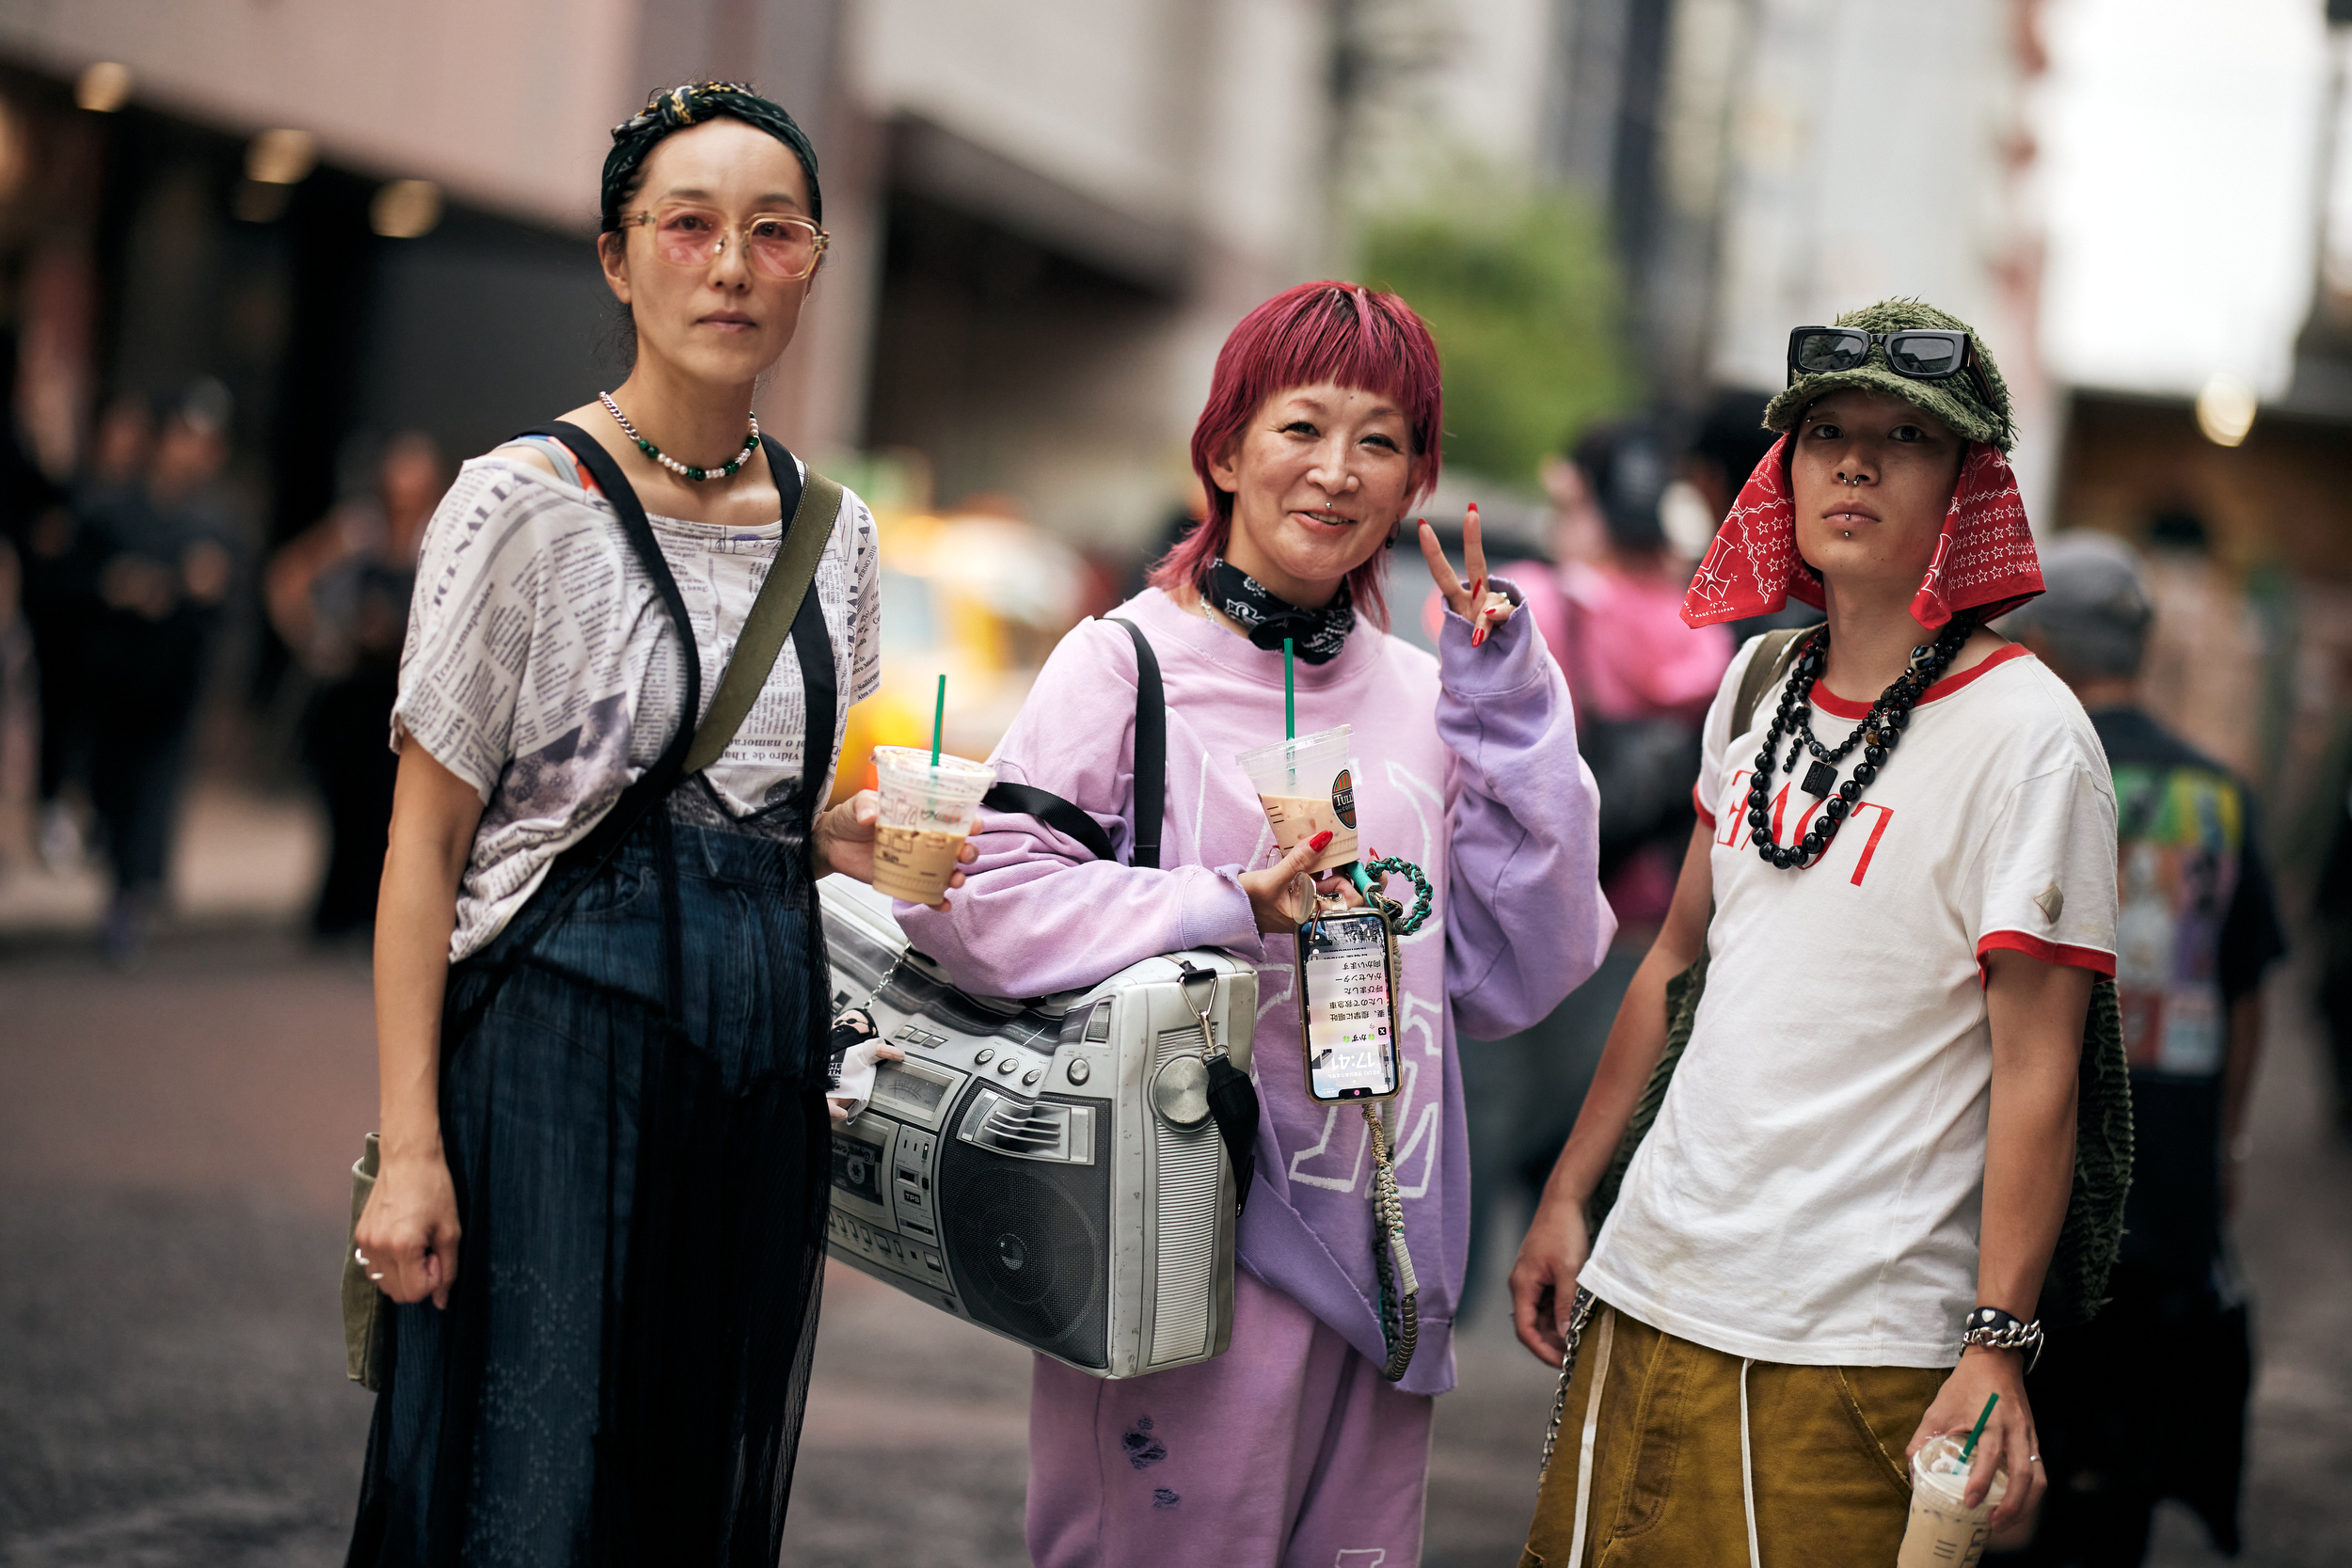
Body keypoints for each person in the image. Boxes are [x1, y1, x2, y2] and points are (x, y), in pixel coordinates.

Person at [898, 280, 1612, 1568]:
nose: (1337, 472)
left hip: (1391, 1258)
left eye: (1381, 441)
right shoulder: (1123, 665)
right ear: (1224, 448)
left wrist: (1509, 703)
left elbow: (1532, 962)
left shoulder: (1429, 694)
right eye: (1302, 427)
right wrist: (1224, 902)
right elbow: (980, 902)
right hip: (1178, 1241)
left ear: (1415, 482)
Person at [346, 81, 961, 1563]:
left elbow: (753, 806)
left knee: (692, 1492)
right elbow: (425, 848)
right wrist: (413, 1146)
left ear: (815, 259)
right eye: (689, 226)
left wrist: (838, 844)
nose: (732, 266)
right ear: (620, 258)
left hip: (755, 1072)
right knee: (532, 1489)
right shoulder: (520, 504)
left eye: (773, 232)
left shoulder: (839, 533)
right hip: (551, 1064)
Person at [1510, 299, 2120, 1564]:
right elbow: (1675, 958)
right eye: (1828, 430)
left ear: (1970, 486)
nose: (1856, 460)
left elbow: (2041, 1068)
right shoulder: (1757, 684)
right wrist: (1573, 1192)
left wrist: (1998, 1344)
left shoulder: (2031, 736)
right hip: (1651, 1287)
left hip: (1853, 1341)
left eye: (1906, 435)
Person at [1994, 531, 2284, 1566]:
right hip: (2164, 1186)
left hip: (2017, 1185)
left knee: (1986, 1473)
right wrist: (2227, 1142)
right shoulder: (2220, 795)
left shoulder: (2022, 765)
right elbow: (2244, 989)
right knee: (2110, 1489)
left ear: (2034, 638)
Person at [1455, 420, 1733, 1314]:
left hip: (1519, 916)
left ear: (1581, 497)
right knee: (1605, 1137)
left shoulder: (1539, 595)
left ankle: (1432, 1323)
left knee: (1477, 1128)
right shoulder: (1703, 622)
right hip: (1642, 923)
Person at [80, 382, 239, 964]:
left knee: (153, 793)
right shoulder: (113, 507)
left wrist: (206, 587)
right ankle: (118, 868)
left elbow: (230, 601)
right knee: (109, 790)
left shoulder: (215, 520)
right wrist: (117, 585)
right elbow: (75, 577)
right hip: (114, 675)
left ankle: (131, 896)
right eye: (184, 438)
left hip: (175, 678)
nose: (191, 452)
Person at [267, 431, 447, 936]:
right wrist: (319, 641)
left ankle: (372, 911)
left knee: (388, 806)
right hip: (353, 687)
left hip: (407, 691)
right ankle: (334, 907)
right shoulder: (360, 529)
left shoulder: (439, 533)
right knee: (340, 799)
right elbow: (289, 576)